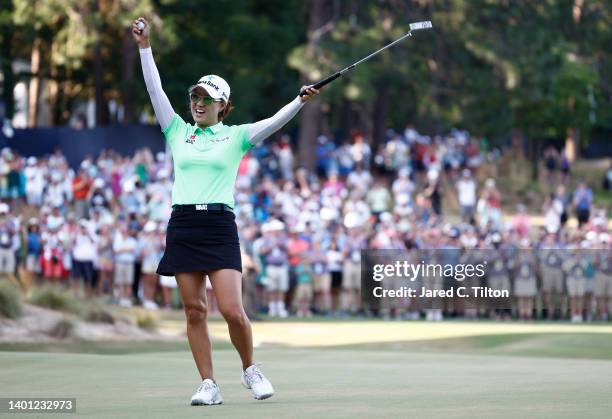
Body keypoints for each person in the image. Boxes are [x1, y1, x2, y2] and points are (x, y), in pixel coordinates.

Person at [133, 17, 320, 405]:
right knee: (194, 310)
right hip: (183, 223)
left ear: (223, 105)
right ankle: (208, 384)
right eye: (195, 97)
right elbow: (155, 90)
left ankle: (250, 370)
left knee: (233, 310)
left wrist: (299, 101)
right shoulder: (176, 130)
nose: (198, 103)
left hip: (219, 225)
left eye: (207, 99)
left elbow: (272, 123)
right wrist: (144, 47)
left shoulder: (235, 136)